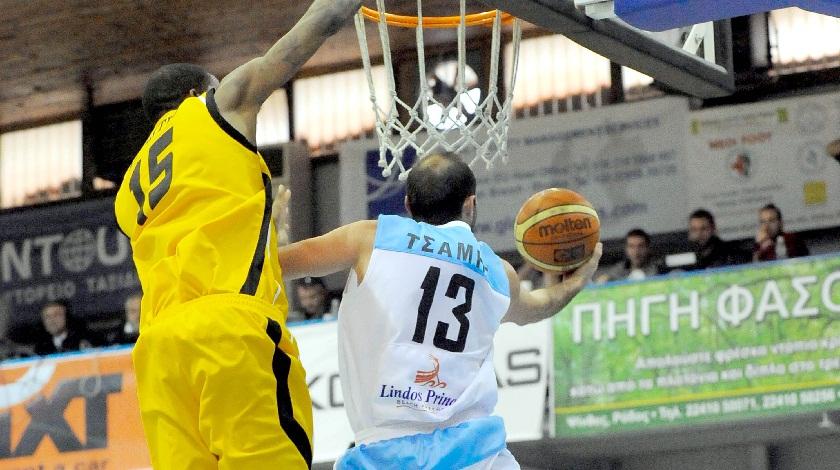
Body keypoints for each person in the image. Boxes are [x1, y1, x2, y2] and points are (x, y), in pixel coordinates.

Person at [113, 1, 361, 468]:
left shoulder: (127, 192)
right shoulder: (217, 107)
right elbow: (320, 22)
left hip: (158, 350)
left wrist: (262, 229)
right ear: (196, 92)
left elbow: (197, 232)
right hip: (225, 330)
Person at [277, 153, 602, 469]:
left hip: (383, 454)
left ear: (408, 205)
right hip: (475, 455)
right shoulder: (497, 272)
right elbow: (538, 306)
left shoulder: (370, 240)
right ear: (470, 205)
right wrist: (576, 281)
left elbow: (272, 266)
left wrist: (273, 235)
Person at [596, 228, 663, 283]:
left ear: (648, 248)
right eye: (631, 246)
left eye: (641, 246)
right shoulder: (619, 269)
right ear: (626, 249)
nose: (636, 251)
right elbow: (602, 281)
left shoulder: (659, 268)